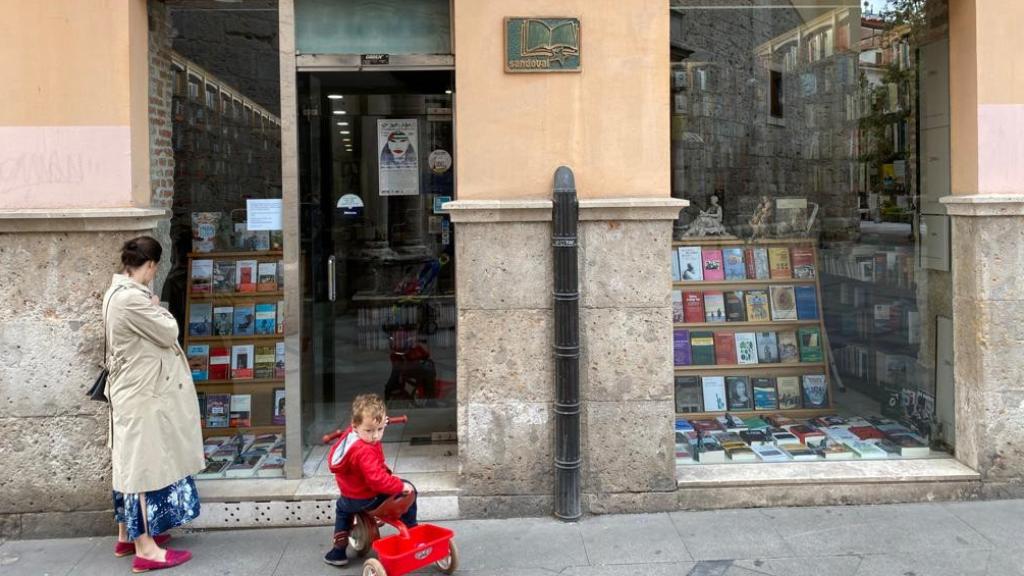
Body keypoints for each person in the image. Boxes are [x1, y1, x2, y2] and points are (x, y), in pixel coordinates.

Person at [103, 236, 204, 572]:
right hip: (141, 396)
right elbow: (168, 330)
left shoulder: (118, 294)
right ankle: (146, 550)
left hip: (136, 392)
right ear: (149, 266)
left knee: (133, 464)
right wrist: (158, 306)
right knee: (143, 469)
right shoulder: (132, 299)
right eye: (154, 268)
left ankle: (126, 536)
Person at [324, 394, 417, 567]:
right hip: (369, 496)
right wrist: (399, 486)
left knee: (343, 510)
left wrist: (377, 423)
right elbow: (377, 481)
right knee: (410, 490)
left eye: (380, 429)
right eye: (370, 430)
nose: (375, 436)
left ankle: (338, 551)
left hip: (350, 494)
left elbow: (371, 425)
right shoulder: (364, 451)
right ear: (355, 426)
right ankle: (412, 529)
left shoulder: (351, 435)